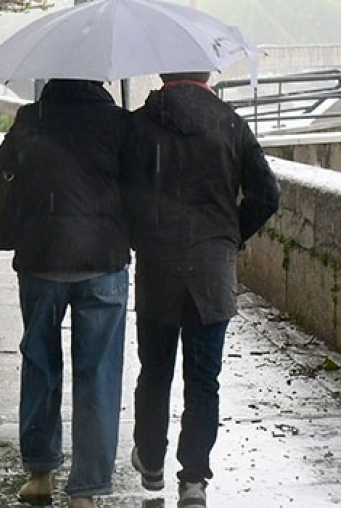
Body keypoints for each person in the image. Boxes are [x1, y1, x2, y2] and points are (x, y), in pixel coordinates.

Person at [123, 72, 280, 508]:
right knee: (203, 379)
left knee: (154, 372)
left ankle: (151, 461)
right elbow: (267, 194)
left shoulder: (139, 124)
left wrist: (142, 234)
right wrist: (230, 236)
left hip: (157, 264)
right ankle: (193, 480)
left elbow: (124, 195)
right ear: (207, 74)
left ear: (162, 72)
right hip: (212, 270)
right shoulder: (230, 122)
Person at [0, 79, 131, 508]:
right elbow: (141, 188)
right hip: (103, 263)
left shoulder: (33, 119)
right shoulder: (118, 121)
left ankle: (40, 473)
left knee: (41, 363)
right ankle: (85, 490)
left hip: (41, 262)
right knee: (99, 373)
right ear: (99, 78)